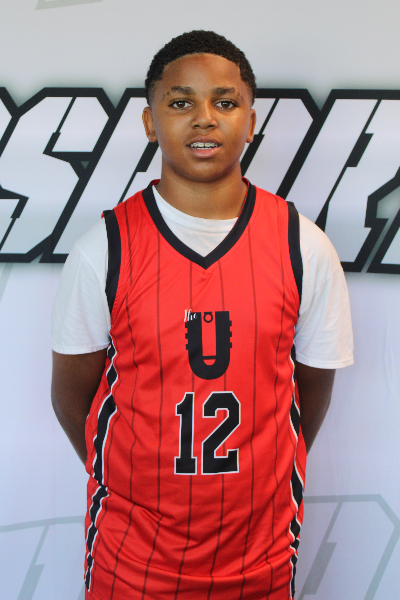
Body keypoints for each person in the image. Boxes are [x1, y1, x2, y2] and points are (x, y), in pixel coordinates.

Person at [51, 30, 353, 600]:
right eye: (181, 102)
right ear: (150, 122)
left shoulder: (303, 246)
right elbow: (73, 401)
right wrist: (134, 482)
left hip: (260, 555)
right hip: (131, 557)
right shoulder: (105, 248)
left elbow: (307, 398)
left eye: (225, 101)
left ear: (251, 121)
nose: (205, 118)